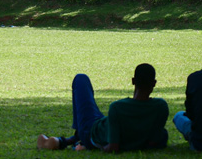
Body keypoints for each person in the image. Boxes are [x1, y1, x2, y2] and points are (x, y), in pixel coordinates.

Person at [37, 64, 169, 153]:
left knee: (81, 79)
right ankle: (70, 140)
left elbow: (113, 147)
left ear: (133, 81)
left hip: (92, 131)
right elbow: (152, 143)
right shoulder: (161, 107)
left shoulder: (118, 107)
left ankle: (79, 139)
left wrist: (90, 146)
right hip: (105, 125)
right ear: (154, 83)